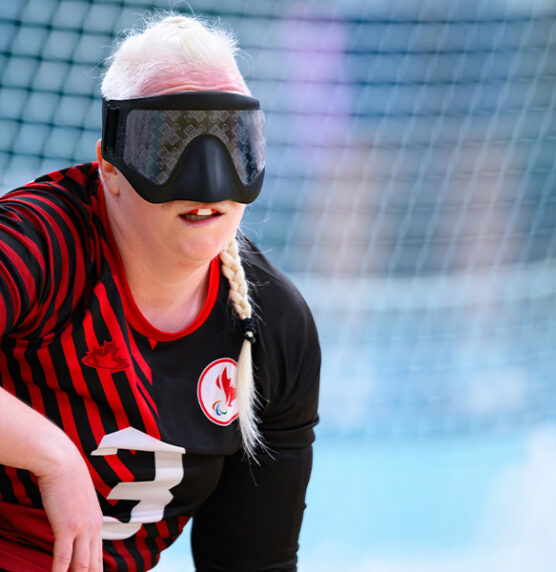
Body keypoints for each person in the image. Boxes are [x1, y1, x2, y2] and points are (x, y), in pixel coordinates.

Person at [0, 13, 320, 572]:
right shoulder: (42, 241)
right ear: (110, 164)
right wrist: (53, 459)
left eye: (232, 143)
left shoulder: (272, 325)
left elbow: (252, 563)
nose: (208, 178)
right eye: (169, 144)